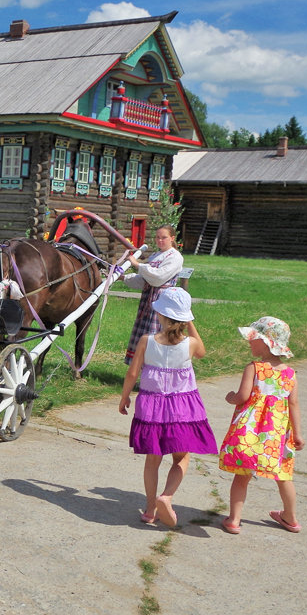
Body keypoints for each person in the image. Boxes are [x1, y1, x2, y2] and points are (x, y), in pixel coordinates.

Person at [119, 287, 218, 527]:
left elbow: (133, 373)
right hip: (182, 409)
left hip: (151, 407)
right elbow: (203, 352)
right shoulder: (191, 344)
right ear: (185, 318)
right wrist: (190, 321)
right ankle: (167, 496)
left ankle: (151, 509)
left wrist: (124, 398)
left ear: (160, 316)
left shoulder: (146, 341)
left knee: (152, 461)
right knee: (181, 457)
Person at [218, 317, 303, 534]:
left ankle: (234, 520)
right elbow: (293, 404)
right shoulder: (289, 374)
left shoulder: (254, 368)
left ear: (267, 342)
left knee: (243, 475)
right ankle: (290, 518)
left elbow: (243, 396)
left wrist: (231, 397)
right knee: (283, 475)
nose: (249, 342)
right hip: (277, 435)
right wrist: (298, 435)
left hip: (252, 434)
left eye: (253, 338)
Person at [121, 225, 184, 364]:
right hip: (148, 301)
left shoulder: (175, 257)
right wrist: (122, 277)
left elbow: (158, 278)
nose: (160, 240)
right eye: (158, 237)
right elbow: (144, 280)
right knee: (145, 336)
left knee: (157, 335)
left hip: (163, 302)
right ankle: (144, 373)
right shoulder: (155, 255)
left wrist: (137, 265)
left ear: (172, 238)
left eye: (164, 238)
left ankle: (156, 369)